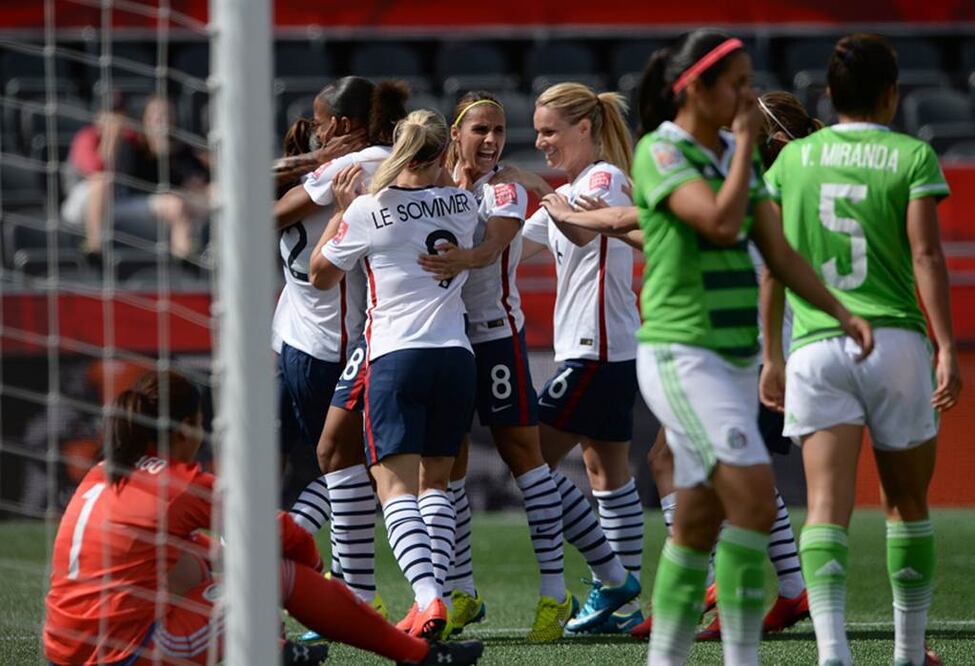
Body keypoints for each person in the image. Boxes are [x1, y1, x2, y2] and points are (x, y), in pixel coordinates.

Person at [626, 30, 872, 665]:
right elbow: (719, 221)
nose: (747, 94)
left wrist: (841, 311)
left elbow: (780, 254)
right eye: (735, 82)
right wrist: (739, 151)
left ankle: (665, 656)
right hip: (683, 352)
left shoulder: (731, 156)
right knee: (757, 498)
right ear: (696, 89)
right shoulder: (662, 151)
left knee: (700, 519)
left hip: (733, 357)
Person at [538, 90, 821, 643]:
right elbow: (664, 234)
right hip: (744, 344)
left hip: (750, 346)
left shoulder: (757, 188)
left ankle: (715, 588)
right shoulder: (757, 186)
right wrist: (602, 222)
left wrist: (585, 216)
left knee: (698, 466)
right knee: (688, 461)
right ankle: (780, 588)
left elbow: (650, 220)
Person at [42, 370, 484, 666]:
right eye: (200, 425)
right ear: (183, 429)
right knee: (275, 575)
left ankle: (278, 649)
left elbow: (181, 556)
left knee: (201, 563)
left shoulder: (105, 471)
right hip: (124, 652)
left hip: (66, 648)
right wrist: (311, 573)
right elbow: (282, 532)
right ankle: (416, 655)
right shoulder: (178, 482)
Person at [760, 33, 960, 666]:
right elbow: (927, 254)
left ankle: (833, 652)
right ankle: (905, 652)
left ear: (830, 93)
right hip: (896, 341)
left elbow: (774, 263)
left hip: (818, 346)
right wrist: (947, 345)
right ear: (891, 94)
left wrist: (771, 353)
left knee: (824, 507)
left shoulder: (791, 162)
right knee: (907, 503)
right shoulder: (912, 155)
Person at [309, 109, 478, 640]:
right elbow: (447, 195)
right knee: (439, 482)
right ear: (440, 154)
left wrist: (339, 214)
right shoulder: (464, 203)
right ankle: (438, 597)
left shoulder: (367, 208)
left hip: (396, 356)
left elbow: (319, 276)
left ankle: (428, 599)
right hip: (456, 355)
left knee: (394, 487)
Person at [414, 91, 571, 641]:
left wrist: (457, 259)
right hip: (448, 341)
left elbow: (494, 245)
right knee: (447, 463)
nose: (491, 140)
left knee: (524, 456)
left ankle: (555, 592)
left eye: (499, 131)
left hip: (496, 336)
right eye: (480, 129)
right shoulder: (435, 184)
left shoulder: (503, 187)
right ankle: (460, 591)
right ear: (455, 133)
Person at [272, 77, 408, 625]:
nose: (317, 128)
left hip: (324, 343)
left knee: (340, 465)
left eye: (323, 119)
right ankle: (337, 585)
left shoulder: (355, 166)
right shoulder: (354, 162)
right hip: (305, 338)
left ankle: (337, 586)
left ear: (346, 125)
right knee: (338, 467)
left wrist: (309, 161)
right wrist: (308, 158)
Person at [520, 82, 644, 635]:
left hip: (594, 350)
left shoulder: (602, 179)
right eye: (538, 131)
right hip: (605, 349)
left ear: (584, 128)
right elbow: (513, 244)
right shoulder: (572, 187)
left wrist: (552, 201)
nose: (541, 141)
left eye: (550, 130)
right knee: (607, 475)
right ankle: (624, 602)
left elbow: (583, 231)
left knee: (528, 459)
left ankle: (613, 579)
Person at [81, 95, 209, 264]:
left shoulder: (182, 151)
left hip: (167, 211)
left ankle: (186, 262)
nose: (162, 120)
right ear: (145, 119)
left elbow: (196, 182)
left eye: (167, 114)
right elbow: (100, 171)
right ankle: (94, 251)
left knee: (191, 200)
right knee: (174, 204)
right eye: (156, 114)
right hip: (119, 205)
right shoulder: (130, 146)